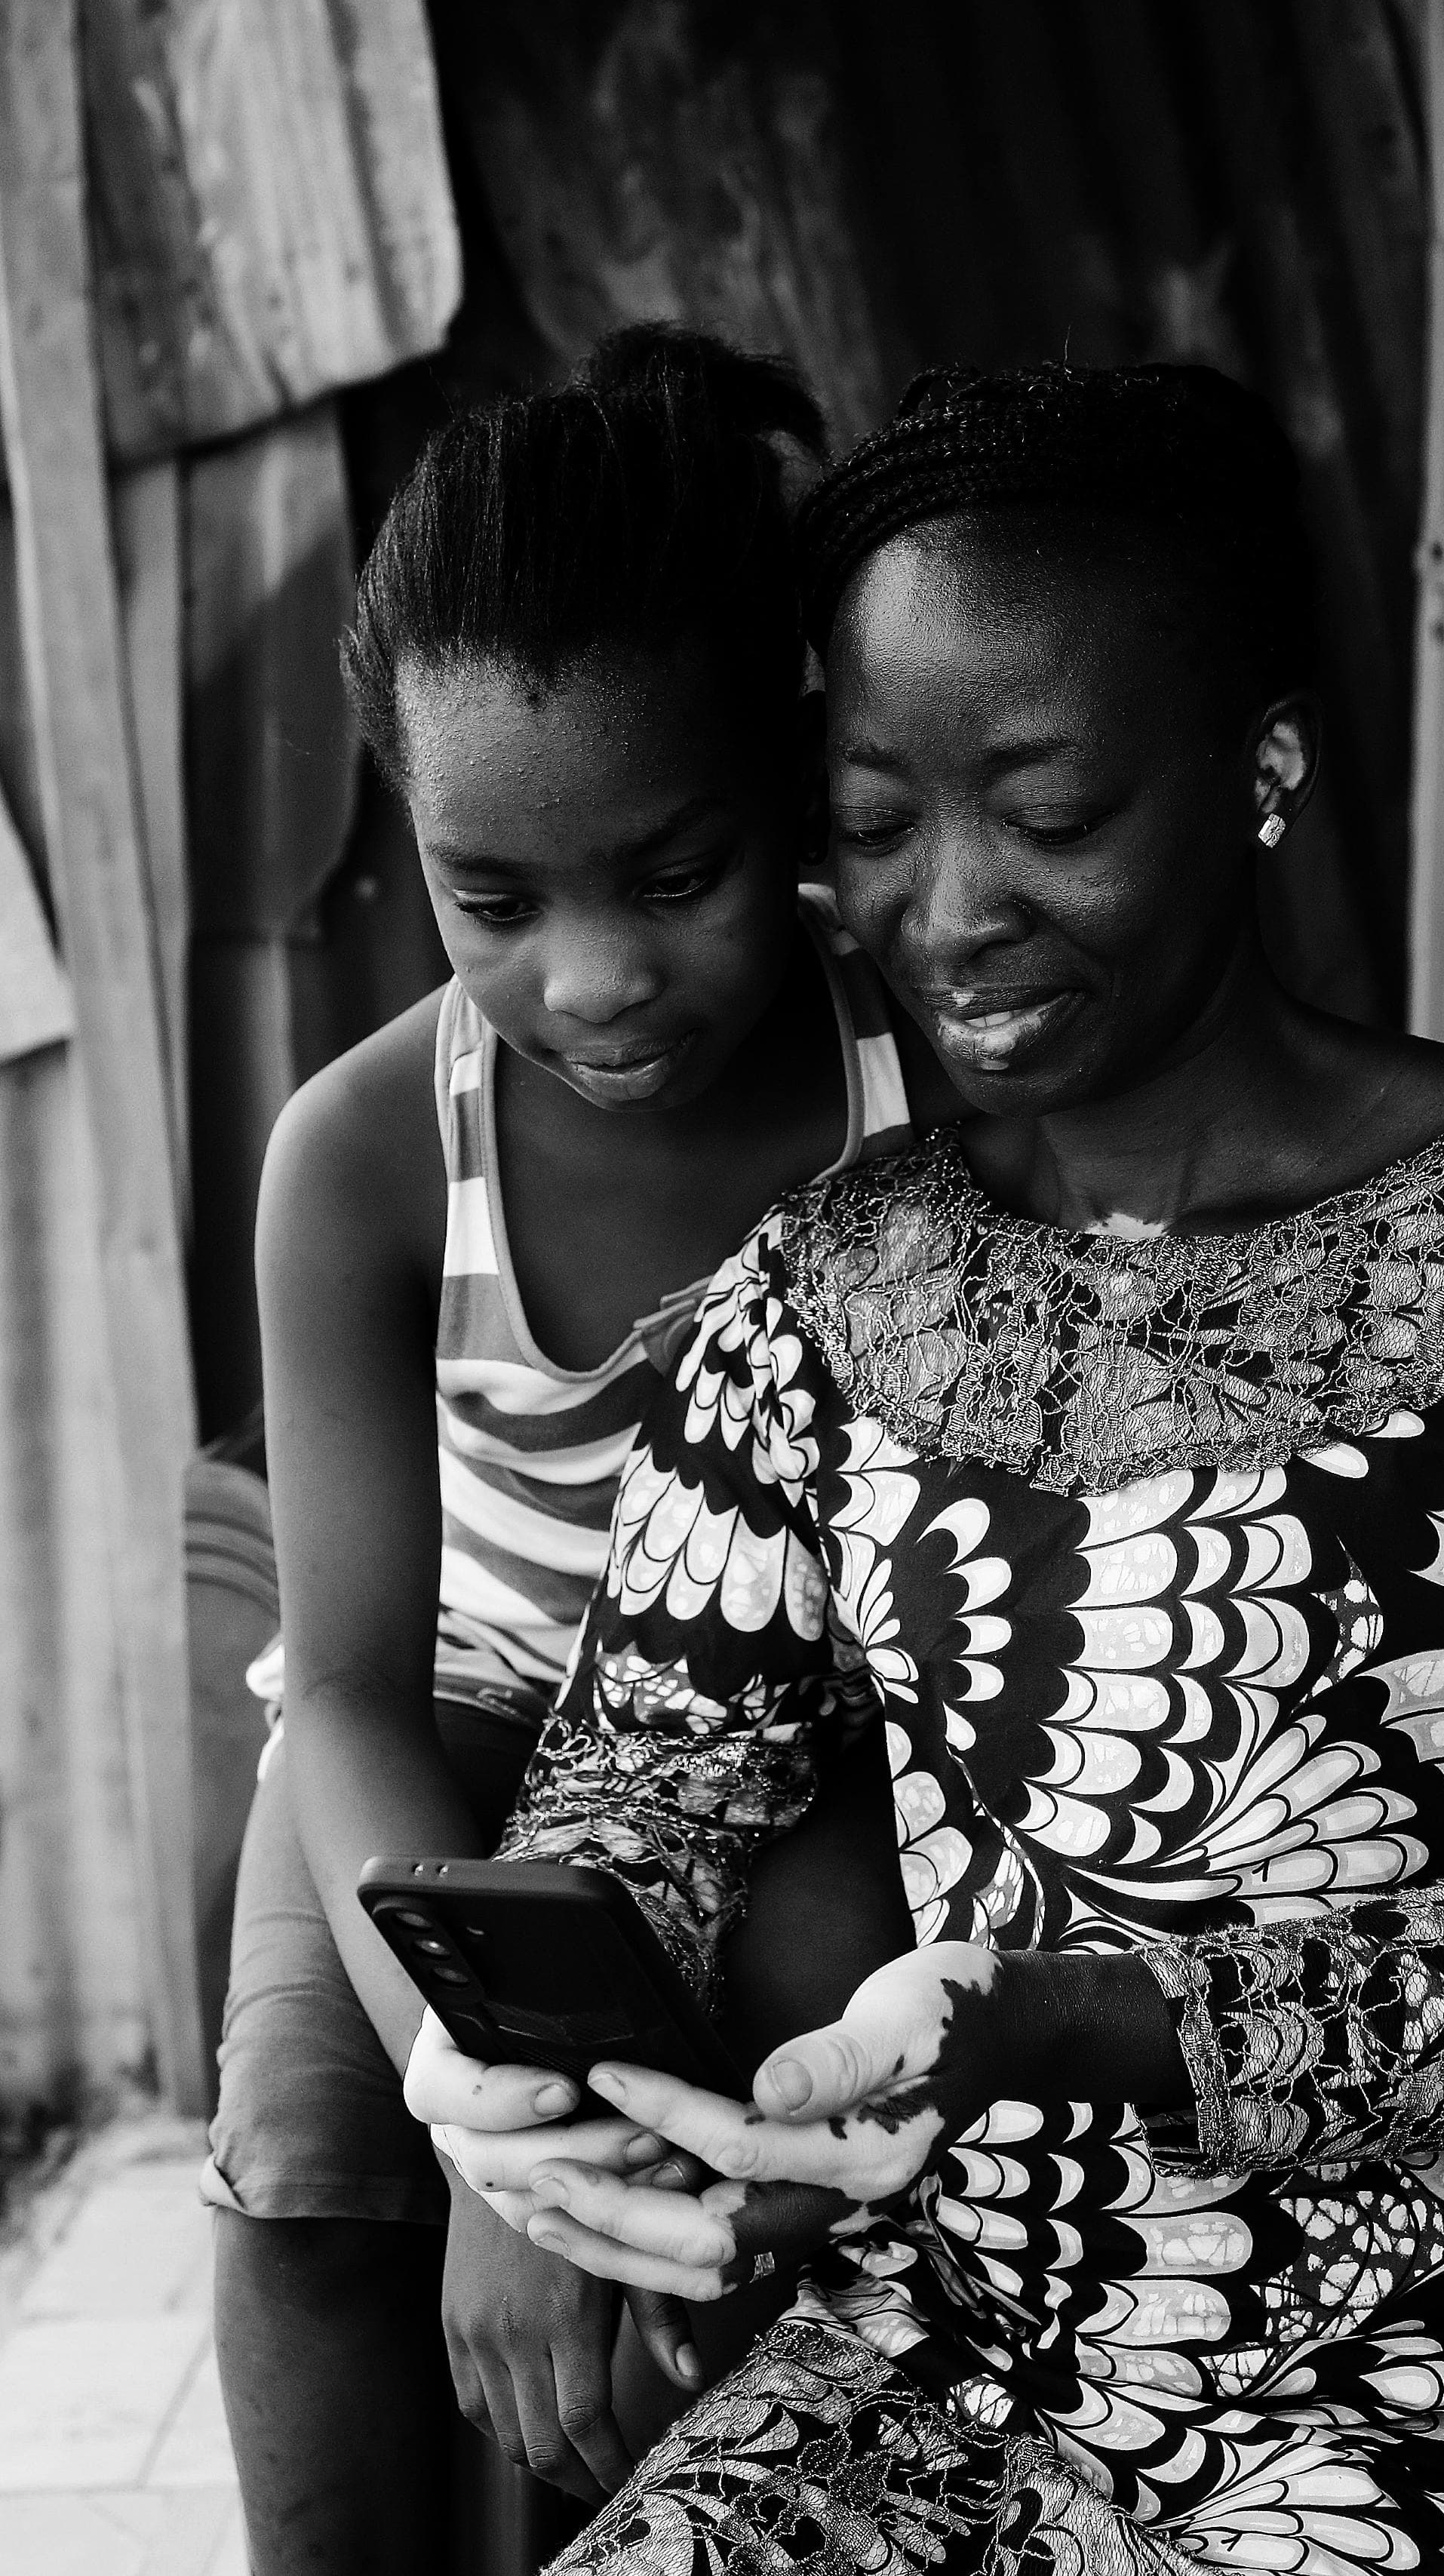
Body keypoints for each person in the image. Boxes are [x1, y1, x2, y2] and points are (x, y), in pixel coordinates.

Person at [422, 362, 1444, 2575]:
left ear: (1261, 767)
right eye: (879, 819)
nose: (954, 906)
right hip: (972, 2345)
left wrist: (1064, 2022)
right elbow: (648, 1778)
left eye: (1049, 808)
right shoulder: (825, 1287)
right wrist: (521, 2063)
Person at [210, 328, 923, 2576]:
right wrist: (472, 2087)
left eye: (675, 871)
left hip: (811, 1743)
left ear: (789, 780)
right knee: (317, 2164)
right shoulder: (363, 1158)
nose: (595, 977)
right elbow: (342, 1688)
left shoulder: (930, 1083)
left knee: (745, 2195)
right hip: (442, 1738)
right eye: (492, 902)